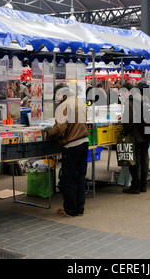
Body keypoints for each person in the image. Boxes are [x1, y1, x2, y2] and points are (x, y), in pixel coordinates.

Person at [47, 83, 89, 217]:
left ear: (62, 94)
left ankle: (70, 210)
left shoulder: (63, 106)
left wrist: (50, 132)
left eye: (57, 95)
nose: (57, 98)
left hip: (71, 146)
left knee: (69, 179)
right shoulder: (81, 103)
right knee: (80, 178)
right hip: (84, 143)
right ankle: (79, 208)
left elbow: (60, 129)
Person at [120, 82, 150, 194]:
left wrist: (124, 131)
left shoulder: (130, 101)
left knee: (135, 162)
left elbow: (128, 120)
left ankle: (135, 186)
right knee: (144, 161)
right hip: (146, 133)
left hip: (136, 135)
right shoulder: (143, 99)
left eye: (123, 93)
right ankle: (143, 185)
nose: (122, 95)